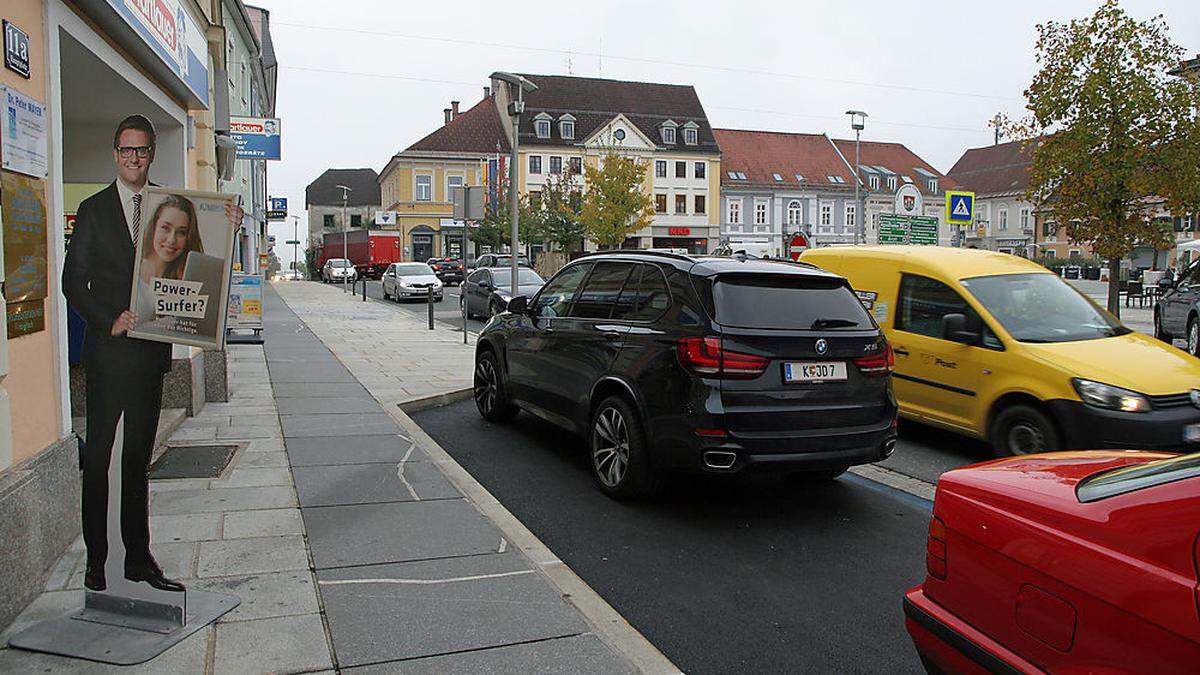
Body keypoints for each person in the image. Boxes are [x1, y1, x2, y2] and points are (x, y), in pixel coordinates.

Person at [62, 115, 240, 593]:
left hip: (148, 355)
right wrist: (109, 318)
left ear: (151, 155)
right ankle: (97, 561)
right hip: (107, 352)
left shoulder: (168, 205)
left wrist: (230, 227)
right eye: (126, 151)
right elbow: (72, 282)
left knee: (137, 460)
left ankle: (138, 559)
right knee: (99, 457)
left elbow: (209, 255)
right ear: (115, 153)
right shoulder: (93, 209)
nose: (133, 158)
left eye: (141, 151)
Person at [135, 194, 203, 324]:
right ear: (154, 227)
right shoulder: (132, 269)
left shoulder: (184, 280)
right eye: (165, 228)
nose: (172, 240)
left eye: (181, 232)